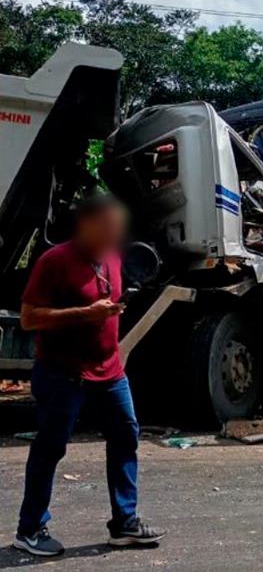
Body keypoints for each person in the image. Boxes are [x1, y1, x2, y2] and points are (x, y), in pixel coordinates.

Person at [13, 194, 166, 557]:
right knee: (51, 448)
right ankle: (30, 529)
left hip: (110, 372)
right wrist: (84, 314)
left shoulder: (113, 258)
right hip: (62, 374)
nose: (116, 234)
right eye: (109, 227)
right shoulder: (56, 261)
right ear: (87, 225)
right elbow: (29, 318)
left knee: (126, 434)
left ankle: (124, 523)